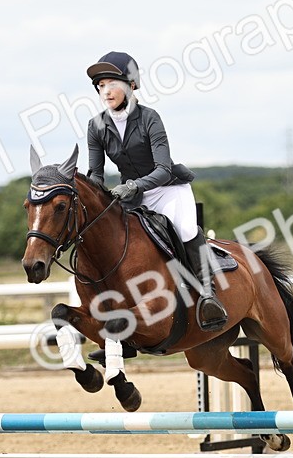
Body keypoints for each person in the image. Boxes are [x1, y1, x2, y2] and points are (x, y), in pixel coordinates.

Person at [84, 50, 228, 332]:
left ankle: (209, 296)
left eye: (112, 84)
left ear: (131, 85)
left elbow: (163, 169)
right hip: (131, 197)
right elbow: (95, 175)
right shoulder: (96, 126)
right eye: (101, 86)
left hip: (167, 189)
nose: (106, 91)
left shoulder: (150, 118)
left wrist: (134, 185)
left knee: (186, 230)